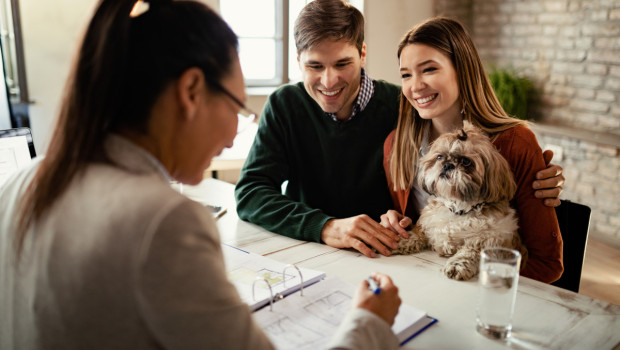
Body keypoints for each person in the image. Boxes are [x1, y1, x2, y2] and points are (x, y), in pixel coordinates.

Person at [0, 1, 403, 349]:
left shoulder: (22, 180)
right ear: (192, 91)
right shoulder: (166, 223)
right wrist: (368, 322)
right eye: (235, 107)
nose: (232, 137)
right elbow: (251, 190)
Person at [235, 0, 564, 259]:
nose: (329, 80)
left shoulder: (405, 110)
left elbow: (480, 155)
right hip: (315, 252)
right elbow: (250, 192)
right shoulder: (287, 104)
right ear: (298, 61)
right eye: (315, 66)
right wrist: (326, 227)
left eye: (342, 63)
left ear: (362, 55)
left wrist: (536, 171)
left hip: (392, 259)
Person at [380, 17, 563, 283]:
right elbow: (414, 229)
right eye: (406, 74)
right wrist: (395, 222)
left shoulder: (516, 143)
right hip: (421, 281)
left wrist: (477, 267)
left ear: (462, 71)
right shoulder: (397, 145)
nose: (415, 86)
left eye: (429, 69)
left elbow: (547, 264)